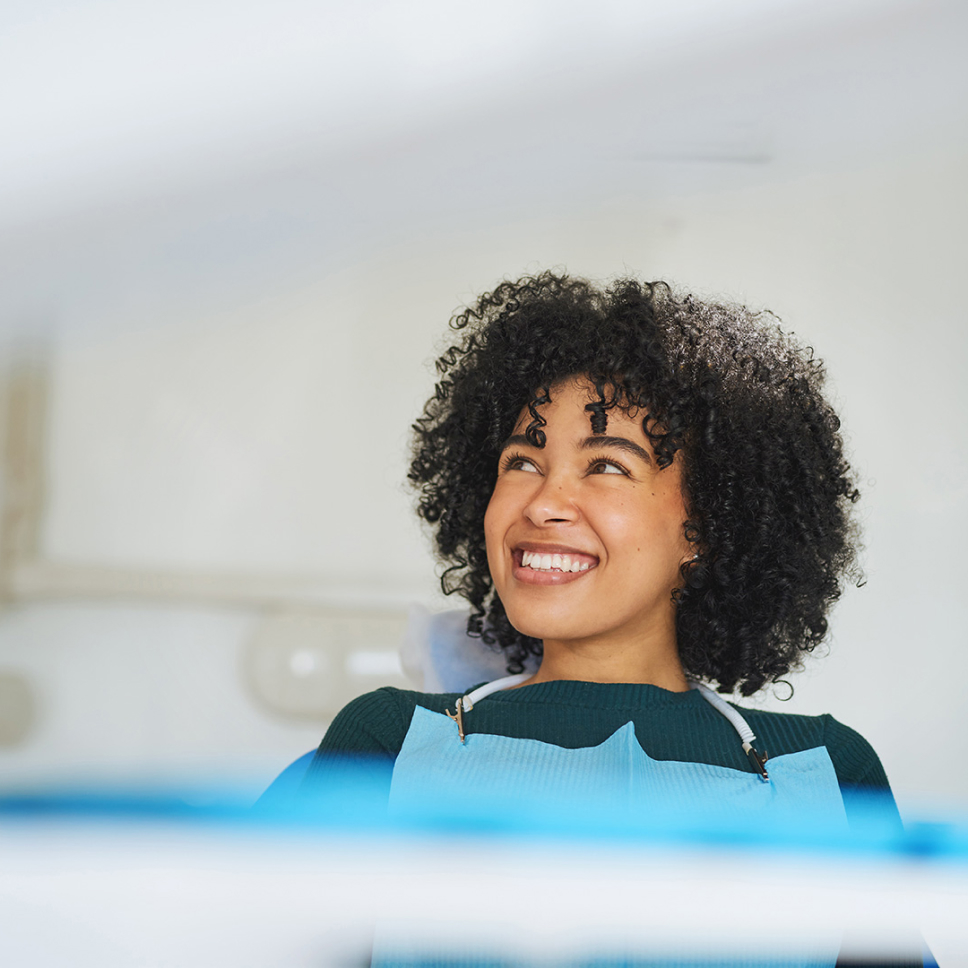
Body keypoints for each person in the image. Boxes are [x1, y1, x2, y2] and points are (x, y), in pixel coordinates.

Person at [270, 272, 897, 833]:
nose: (543, 503)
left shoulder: (825, 772)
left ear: (705, 528)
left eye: (605, 465)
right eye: (522, 461)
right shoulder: (387, 741)